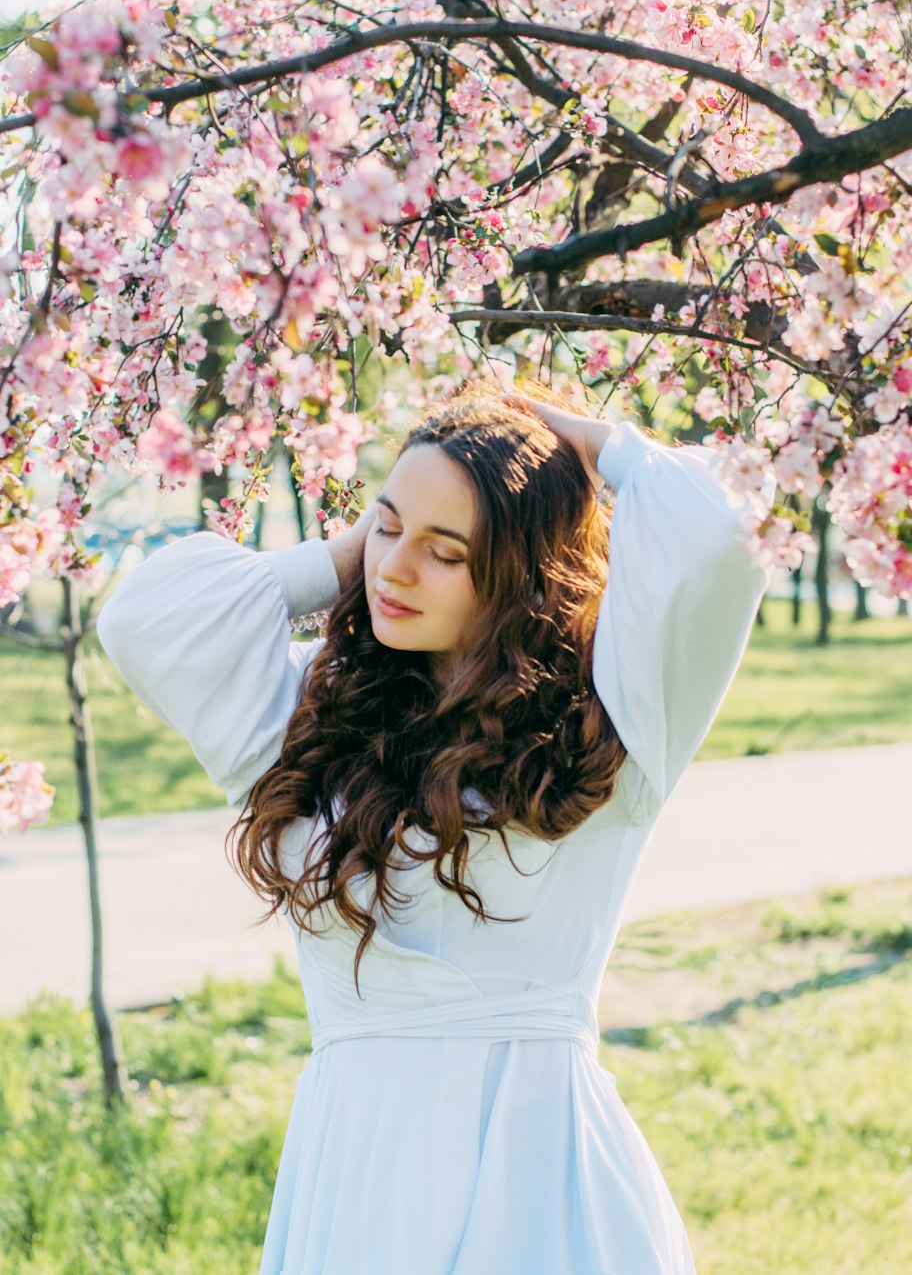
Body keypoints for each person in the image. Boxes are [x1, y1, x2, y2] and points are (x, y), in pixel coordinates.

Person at [96, 379, 769, 1275]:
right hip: (358, 1177)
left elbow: (727, 529)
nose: (395, 570)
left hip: (543, 1179)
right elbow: (141, 617)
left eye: (445, 551)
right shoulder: (306, 716)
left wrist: (592, 444)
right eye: (384, 527)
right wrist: (356, 551)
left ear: (520, 573)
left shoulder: (609, 720)